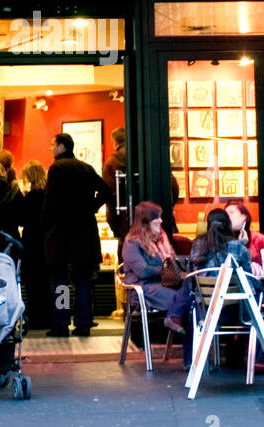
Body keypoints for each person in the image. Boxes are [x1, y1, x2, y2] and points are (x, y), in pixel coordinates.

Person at [42, 132, 112, 337]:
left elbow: (50, 199)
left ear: (62, 147)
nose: (51, 149)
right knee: (82, 279)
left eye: (53, 145)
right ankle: (83, 323)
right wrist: (91, 207)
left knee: (60, 280)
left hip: (61, 233)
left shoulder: (56, 168)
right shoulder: (86, 168)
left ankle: (61, 323)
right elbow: (106, 190)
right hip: (84, 231)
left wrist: (44, 225)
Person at [120, 201, 184, 331]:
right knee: (178, 298)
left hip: (164, 283)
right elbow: (144, 272)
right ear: (145, 224)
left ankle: (185, 335)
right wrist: (167, 270)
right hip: (142, 287)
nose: (161, 221)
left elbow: (172, 261)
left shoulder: (161, 239)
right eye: (156, 220)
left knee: (190, 295)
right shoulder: (132, 243)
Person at [18, 160, 51, 329]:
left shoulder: (29, 198)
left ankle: (36, 318)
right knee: (52, 282)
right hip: (48, 242)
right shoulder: (49, 195)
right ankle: (59, 316)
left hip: (31, 243)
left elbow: (21, 219)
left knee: (33, 284)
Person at [225, 200, 264, 276]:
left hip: (256, 283)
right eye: (225, 213)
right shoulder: (223, 239)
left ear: (244, 217)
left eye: (231, 212)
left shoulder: (258, 239)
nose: (227, 216)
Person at [102, 127, 129, 240]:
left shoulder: (111, 163)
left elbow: (107, 193)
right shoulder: (141, 157)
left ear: (115, 142)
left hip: (121, 220)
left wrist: (113, 224)